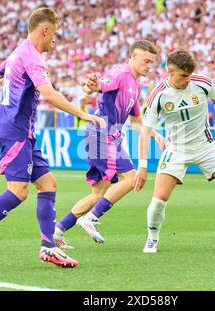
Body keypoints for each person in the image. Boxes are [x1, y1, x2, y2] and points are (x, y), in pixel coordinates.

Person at [0, 7, 105, 269]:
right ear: (44, 29)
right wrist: (84, 114)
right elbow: (49, 94)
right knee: (18, 191)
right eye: (54, 34)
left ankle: (48, 248)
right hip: (15, 133)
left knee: (48, 185)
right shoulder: (32, 57)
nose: (54, 40)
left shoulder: (18, 52)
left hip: (24, 133)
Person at [132, 49, 215, 253]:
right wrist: (142, 166)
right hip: (176, 149)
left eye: (190, 75)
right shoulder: (158, 95)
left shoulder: (202, 83)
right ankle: (152, 238)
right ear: (170, 71)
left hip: (205, 146)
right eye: (183, 76)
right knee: (159, 200)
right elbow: (145, 131)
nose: (187, 80)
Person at [54, 40, 165, 249]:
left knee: (99, 194)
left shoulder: (136, 86)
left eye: (152, 62)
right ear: (132, 56)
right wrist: (92, 86)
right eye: (146, 60)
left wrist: (156, 135)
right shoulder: (120, 73)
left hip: (108, 137)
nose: (149, 66)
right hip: (101, 134)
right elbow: (98, 86)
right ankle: (91, 219)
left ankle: (58, 231)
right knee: (131, 178)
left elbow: (136, 122)